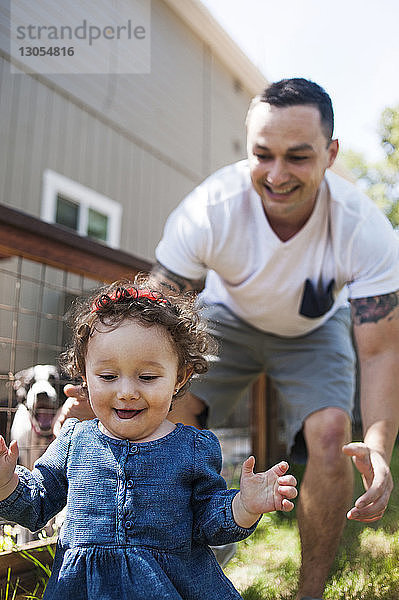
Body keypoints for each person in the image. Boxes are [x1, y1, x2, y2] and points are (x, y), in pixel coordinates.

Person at [56, 78, 399, 599]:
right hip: (224, 316)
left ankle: (309, 594)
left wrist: (378, 447)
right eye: (263, 154)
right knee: (166, 412)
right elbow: (149, 314)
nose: (277, 175)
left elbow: (380, 351)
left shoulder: (364, 229)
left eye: (298, 157)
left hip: (313, 329)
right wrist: (105, 391)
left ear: (330, 154)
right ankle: (181, 563)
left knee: (332, 436)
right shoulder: (209, 210)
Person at [0, 279, 297, 600]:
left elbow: (209, 520)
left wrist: (244, 505)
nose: (127, 391)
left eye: (147, 377)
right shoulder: (74, 440)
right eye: (108, 377)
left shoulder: (192, 448)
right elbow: (38, 502)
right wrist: (6, 483)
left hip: (170, 586)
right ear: (84, 375)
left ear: (179, 377)